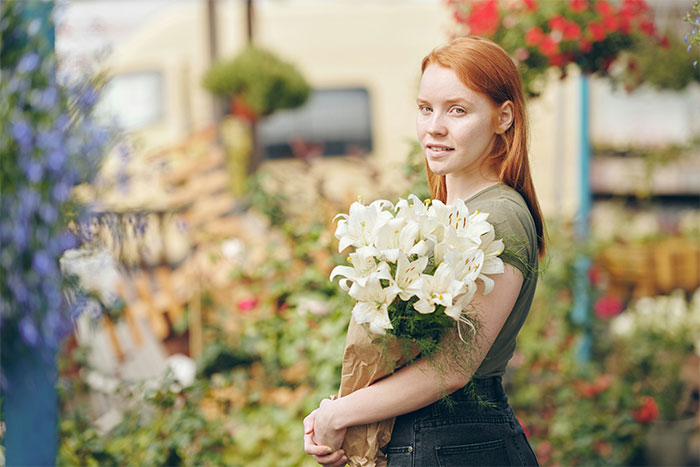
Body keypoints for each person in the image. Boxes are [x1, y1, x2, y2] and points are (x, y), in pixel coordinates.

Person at [304, 35, 545, 467]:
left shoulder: (499, 216)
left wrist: (339, 413)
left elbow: (453, 367)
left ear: (503, 117)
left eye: (457, 110)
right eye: (425, 108)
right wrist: (339, 417)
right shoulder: (449, 212)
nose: (434, 126)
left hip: (460, 441)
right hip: (431, 440)